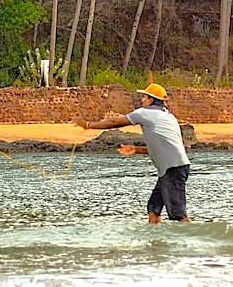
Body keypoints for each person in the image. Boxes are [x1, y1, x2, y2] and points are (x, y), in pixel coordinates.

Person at [71, 83, 191, 223]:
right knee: (153, 209)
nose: (142, 101)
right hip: (173, 168)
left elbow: (115, 121)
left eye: (144, 97)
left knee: (178, 214)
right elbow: (164, 147)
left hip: (173, 169)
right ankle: (156, 243)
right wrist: (136, 149)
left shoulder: (145, 113)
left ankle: (196, 242)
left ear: (151, 100)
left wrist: (88, 125)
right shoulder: (171, 118)